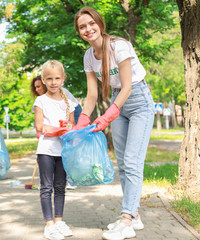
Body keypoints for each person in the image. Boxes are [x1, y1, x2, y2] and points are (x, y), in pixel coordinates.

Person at [74, 7, 155, 240]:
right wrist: (82, 120)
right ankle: (134, 215)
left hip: (138, 101)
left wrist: (108, 115)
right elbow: (91, 96)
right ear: (79, 31)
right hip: (117, 104)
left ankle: (127, 220)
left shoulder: (119, 46)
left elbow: (128, 86)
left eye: (91, 23)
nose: (88, 29)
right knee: (123, 164)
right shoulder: (88, 56)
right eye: (82, 26)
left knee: (132, 161)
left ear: (100, 23)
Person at [33, 60, 76, 240]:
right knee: (46, 187)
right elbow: (40, 126)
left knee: (60, 187)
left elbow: (72, 125)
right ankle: (49, 225)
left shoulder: (68, 100)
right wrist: (57, 129)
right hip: (46, 151)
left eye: (57, 78)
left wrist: (68, 127)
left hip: (63, 151)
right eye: (49, 78)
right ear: (43, 79)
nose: (53, 82)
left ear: (63, 78)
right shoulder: (41, 100)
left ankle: (59, 221)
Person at [30, 75, 81, 190]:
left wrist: (65, 129)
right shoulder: (43, 99)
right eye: (35, 88)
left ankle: (69, 179)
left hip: (74, 113)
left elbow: (67, 115)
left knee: (69, 146)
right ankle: (54, 179)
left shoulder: (61, 92)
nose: (37, 90)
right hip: (62, 119)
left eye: (38, 87)